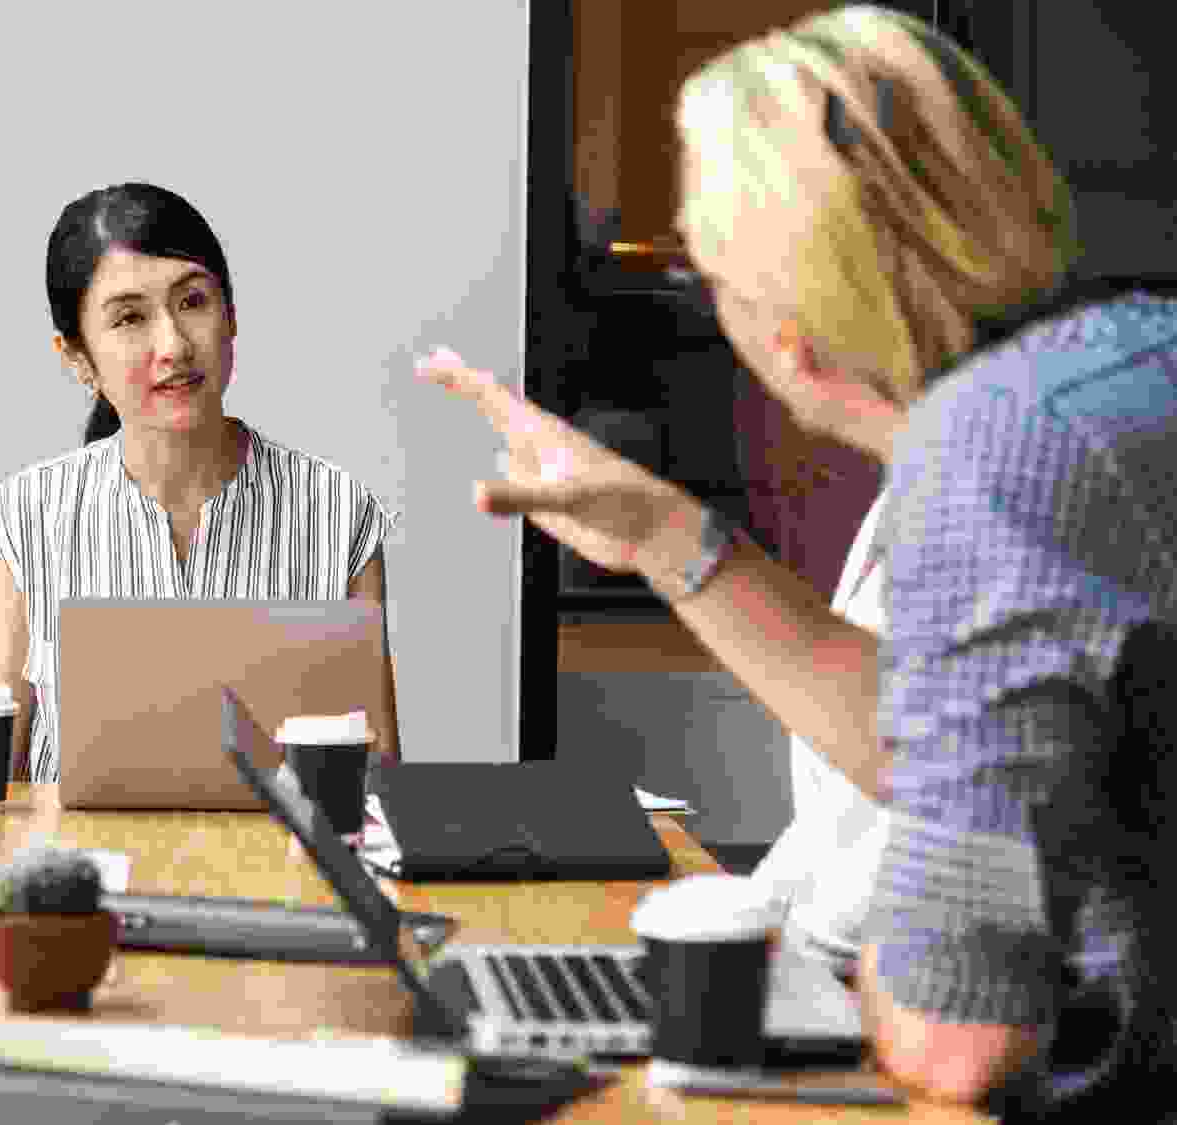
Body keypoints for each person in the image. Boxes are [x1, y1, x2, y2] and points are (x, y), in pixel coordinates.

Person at [416, 5, 1177, 1117]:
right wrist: (663, 535)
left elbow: (955, 1039)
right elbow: (945, 741)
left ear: (790, 336)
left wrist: (808, 983)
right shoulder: (1121, 360)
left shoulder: (991, 456)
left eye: (711, 271)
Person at [0, 183, 401, 783]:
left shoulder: (337, 509)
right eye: (130, 318)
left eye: (193, 301)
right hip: (74, 846)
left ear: (231, 317)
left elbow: (376, 776)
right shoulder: (26, 515)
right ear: (77, 357)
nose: (173, 345)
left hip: (280, 847)